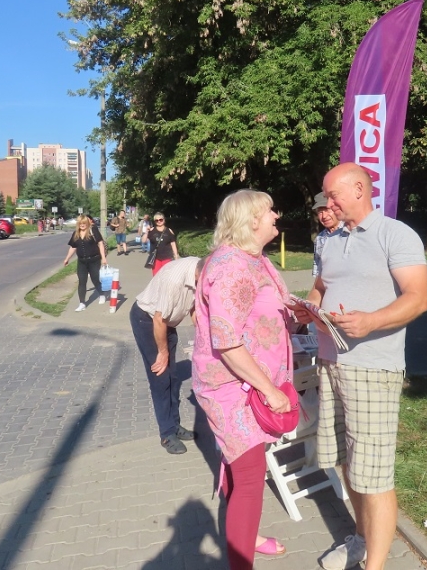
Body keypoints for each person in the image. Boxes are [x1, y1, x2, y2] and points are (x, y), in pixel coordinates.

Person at [292, 163, 427, 570]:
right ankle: (361, 540)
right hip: (331, 362)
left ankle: (376, 564)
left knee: (375, 475)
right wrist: (308, 310)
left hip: (373, 369)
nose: (327, 202)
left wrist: (371, 321)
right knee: (349, 464)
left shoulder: (395, 234)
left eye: (332, 194)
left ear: (358, 190)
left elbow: (418, 298)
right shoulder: (329, 240)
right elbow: (322, 287)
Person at [192, 189, 294, 569]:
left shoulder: (256, 260)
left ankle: (247, 537)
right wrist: (270, 391)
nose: (276, 215)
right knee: (251, 478)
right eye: (270, 211)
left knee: (242, 469)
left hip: (249, 384)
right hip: (232, 387)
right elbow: (227, 341)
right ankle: (241, 558)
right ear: (251, 220)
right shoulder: (232, 266)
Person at [130, 256, 203, 454]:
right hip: (148, 321)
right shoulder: (174, 280)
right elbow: (158, 320)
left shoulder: (202, 269)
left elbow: (195, 306)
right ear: (200, 274)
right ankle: (167, 434)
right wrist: (163, 352)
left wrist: (203, 336)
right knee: (161, 378)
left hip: (166, 323)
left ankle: (174, 425)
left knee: (173, 377)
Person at [63, 214, 109, 312]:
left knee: (95, 279)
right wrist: (67, 258)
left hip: (94, 260)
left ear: (87, 223)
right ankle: (82, 303)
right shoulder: (76, 233)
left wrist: (103, 258)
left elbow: (100, 243)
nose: (82, 225)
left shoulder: (93, 231)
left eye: (84, 223)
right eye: (80, 223)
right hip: (82, 262)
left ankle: (101, 294)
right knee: (82, 281)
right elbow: (73, 247)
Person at [311, 192, 343, 278]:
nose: (324, 216)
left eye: (327, 210)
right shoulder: (319, 239)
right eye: (320, 212)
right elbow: (317, 270)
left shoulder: (350, 231)